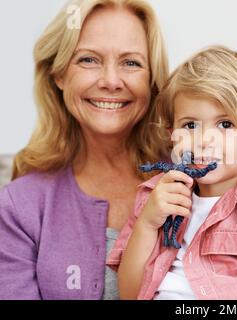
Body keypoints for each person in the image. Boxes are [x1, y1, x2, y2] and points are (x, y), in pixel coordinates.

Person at [107, 46, 237, 300]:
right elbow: (130, 295)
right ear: (171, 134)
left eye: (226, 124)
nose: (204, 139)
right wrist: (148, 224)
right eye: (190, 125)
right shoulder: (157, 195)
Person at [0, 0, 168, 299]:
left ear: (152, 79)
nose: (111, 81)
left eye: (131, 63)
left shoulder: (199, 182)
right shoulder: (18, 206)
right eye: (89, 60)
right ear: (59, 74)